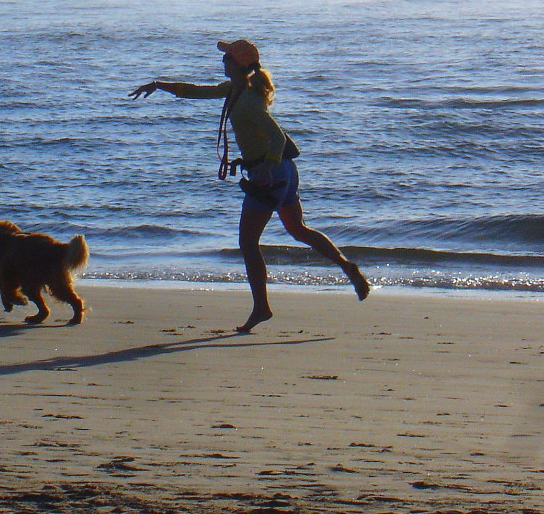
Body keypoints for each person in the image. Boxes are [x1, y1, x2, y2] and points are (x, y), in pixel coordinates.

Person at [129, 38, 370, 332]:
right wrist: (158, 84)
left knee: (248, 243)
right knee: (298, 230)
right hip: (285, 172)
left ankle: (262, 308)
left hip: (272, 174)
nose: (222, 62)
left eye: (227, 58)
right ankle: (347, 267)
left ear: (239, 64)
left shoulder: (251, 99)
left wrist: (266, 167)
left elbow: (278, 138)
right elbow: (196, 91)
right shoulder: (236, 90)